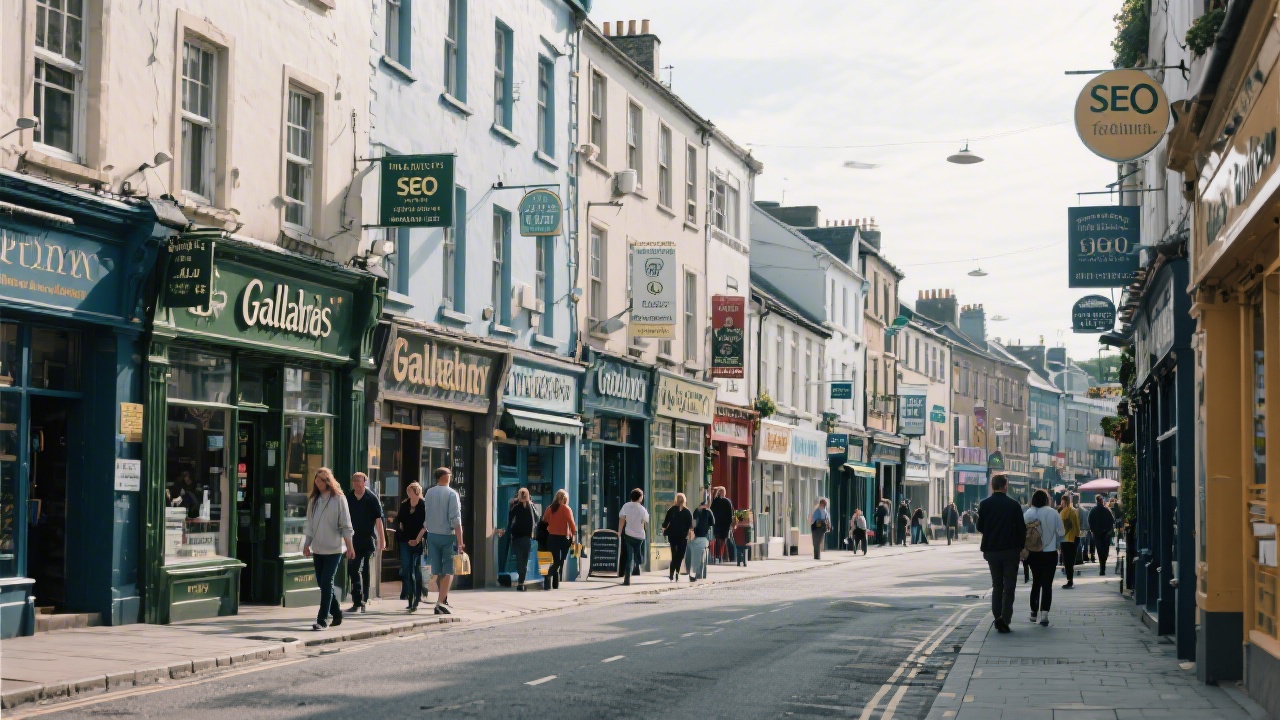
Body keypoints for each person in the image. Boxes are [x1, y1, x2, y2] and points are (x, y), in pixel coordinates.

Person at [301, 468, 355, 631]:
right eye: (316, 481)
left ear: (328, 481)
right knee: (323, 583)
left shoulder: (339, 499)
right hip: (318, 549)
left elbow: (346, 525)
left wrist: (350, 546)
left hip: (334, 549)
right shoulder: (314, 501)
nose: (318, 483)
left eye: (321, 480)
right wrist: (306, 544)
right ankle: (337, 613)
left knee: (326, 581)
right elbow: (309, 525)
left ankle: (322, 619)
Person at [977, 474, 1027, 634]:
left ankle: (997, 616)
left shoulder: (985, 504)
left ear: (992, 486)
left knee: (997, 585)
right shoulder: (1013, 505)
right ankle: (1005, 619)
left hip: (992, 551)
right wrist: (1021, 547)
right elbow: (1021, 529)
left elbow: (980, 527)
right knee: (1009, 586)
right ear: (1005, 486)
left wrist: (992, 531)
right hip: (1010, 551)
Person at [423, 467, 465, 615]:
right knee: (449, 570)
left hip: (432, 535)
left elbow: (426, 514)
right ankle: (440, 602)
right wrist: (460, 542)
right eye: (449, 474)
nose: (451, 476)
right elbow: (456, 519)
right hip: (448, 535)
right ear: (445, 476)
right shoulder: (452, 494)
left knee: (437, 569)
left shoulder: (429, 492)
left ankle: (442, 599)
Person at [1024, 489, 1066, 626]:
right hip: (1049, 552)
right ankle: (1044, 614)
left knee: (1036, 581)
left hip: (1033, 553)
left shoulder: (1028, 513)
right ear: (1046, 500)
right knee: (1047, 584)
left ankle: (1033, 612)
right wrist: (1056, 542)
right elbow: (1061, 533)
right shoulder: (1053, 513)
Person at [346, 472, 385, 613]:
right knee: (353, 569)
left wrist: (382, 539)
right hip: (352, 540)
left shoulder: (371, 498)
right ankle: (357, 600)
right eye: (354, 480)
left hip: (367, 539)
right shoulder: (348, 498)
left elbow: (378, 520)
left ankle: (364, 599)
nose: (356, 483)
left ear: (365, 482)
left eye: (359, 480)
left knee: (364, 568)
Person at [496, 488, 537, 591]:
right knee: (525, 560)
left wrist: (506, 531)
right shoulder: (531, 507)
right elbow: (537, 518)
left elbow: (509, 521)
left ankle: (521, 582)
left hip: (517, 537)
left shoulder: (516, 507)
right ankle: (521, 582)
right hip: (527, 538)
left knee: (520, 560)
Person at [395, 482, 427, 609]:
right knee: (407, 568)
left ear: (417, 492)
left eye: (410, 491)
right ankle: (410, 596)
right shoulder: (404, 505)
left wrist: (417, 539)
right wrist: (406, 537)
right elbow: (400, 521)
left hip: (419, 541)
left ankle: (417, 597)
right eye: (408, 491)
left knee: (416, 569)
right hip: (405, 540)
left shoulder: (424, 505)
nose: (408, 494)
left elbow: (425, 525)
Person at [542, 488, 577, 590]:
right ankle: (548, 576)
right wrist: (573, 536)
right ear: (565, 498)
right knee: (559, 562)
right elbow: (571, 523)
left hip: (551, 538)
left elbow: (544, 520)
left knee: (555, 560)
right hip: (562, 538)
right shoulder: (566, 509)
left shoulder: (549, 508)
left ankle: (553, 584)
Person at [618, 488, 649, 586]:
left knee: (629, 557)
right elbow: (645, 521)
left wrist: (619, 532)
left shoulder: (626, 506)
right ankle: (639, 560)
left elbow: (622, 519)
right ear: (640, 498)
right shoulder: (642, 509)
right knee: (637, 551)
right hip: (639, 536)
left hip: (629, 534)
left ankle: (627, 579)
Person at [662, 493, 694, 581]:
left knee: (675, 554)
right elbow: (690, 526)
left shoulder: (671, 510)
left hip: (675, 535)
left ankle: (673, 573)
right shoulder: (686, 512)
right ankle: (676, 572)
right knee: (679, 555)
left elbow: (665, 523)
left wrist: (664, 529)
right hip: (682, 536)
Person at [687, 496, 715, 581]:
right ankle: (701, 573)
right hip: (705, 536)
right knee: (703, 555)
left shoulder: (696, 511)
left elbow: (693, 521)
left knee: (695, 554)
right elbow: (713, 523)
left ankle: (694, 572)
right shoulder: (709, 511)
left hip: (696, 535)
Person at [1089, 493, 1116, 575]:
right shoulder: (1107, 510)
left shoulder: (1093, 511)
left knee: (1100, 551)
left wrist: (1093, 530)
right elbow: (1112, 521)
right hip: (1106, 534)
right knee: (1105, 551)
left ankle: (1102, 567)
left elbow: (1090, 522)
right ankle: (1103, 566)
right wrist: (1108, 529)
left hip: (1097, 534)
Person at [1058, 493, 1080, 589]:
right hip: (1074, 538)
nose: (1061, 504)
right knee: (1071, 561)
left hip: (1065, 539)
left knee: (1067, 561)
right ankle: (1070, 580)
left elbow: (1062, 527)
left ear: (1065, 502)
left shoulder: (1063, 513)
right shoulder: (1074, 511)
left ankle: (1069, 581)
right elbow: (1077, 526)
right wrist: (1077, 536)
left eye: (1062, 502)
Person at [710, 487, 735, 563]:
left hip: (719, 524)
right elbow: (731, 514)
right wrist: (731, 524)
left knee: (720, 540)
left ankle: (721, 557)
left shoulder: (716, 501)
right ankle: (724, 557)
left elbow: (711, 510)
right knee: (723, 541)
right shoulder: (726, 502)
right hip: (723, 525)